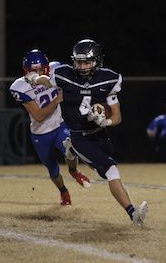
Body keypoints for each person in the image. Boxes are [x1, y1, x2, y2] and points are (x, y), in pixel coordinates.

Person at [33, 39, 148, 227]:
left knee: (104, 171)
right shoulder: (64, 74)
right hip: (79, 135)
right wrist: (34, 79)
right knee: (111, 170)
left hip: (99, 133)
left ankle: (71, 151)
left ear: (97, 61)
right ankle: (133, 213)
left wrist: (105, 121)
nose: (82, 66)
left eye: (86, 62)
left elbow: (117, 116)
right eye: (78, 62)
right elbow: (46, 81)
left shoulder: (108, 79)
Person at [9, 49, 90, 206]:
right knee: (53, 170)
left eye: (41, 69)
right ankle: (63, 192)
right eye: (33, 71)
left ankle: (74, 171)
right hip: (40, 134)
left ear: (46, 68)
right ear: (26, 71)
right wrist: (57, 100)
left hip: (59, 126)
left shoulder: (55, 69)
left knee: (72, 149)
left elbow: (75, 77)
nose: (37, 73)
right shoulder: (20, 86)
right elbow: (38, 116)